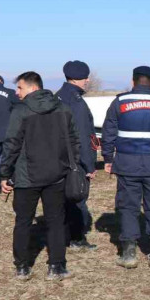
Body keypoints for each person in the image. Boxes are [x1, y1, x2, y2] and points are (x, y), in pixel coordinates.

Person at [0, 72, 78, 281]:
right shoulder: (63, 108)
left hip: (26, 178)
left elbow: (11, 144)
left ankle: (23, 267)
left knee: (23, 221)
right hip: (57, 175)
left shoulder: (21, 111)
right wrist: (69, 165)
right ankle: (56, 267)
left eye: (20, 88)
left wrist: (4, 173)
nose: (17, 93)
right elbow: (74, 141)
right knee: (56, 221)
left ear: (33, 88)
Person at [102, 66, 150, 268]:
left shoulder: (120, 102)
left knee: (128, 207)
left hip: (127, 163)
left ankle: (129, 252)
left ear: (133, 81)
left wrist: (108, 158)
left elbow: (109, 131)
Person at [55, 60, 97, 250]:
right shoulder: (76, 103)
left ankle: (62, 234)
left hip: (57, 158)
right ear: (77, 79)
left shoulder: (57, 97)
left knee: (62, 198)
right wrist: (89, 165)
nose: (87, 81)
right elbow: (83, 135)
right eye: (85, 77)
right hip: (75, 161)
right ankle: (77, 239)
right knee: (77, 197)